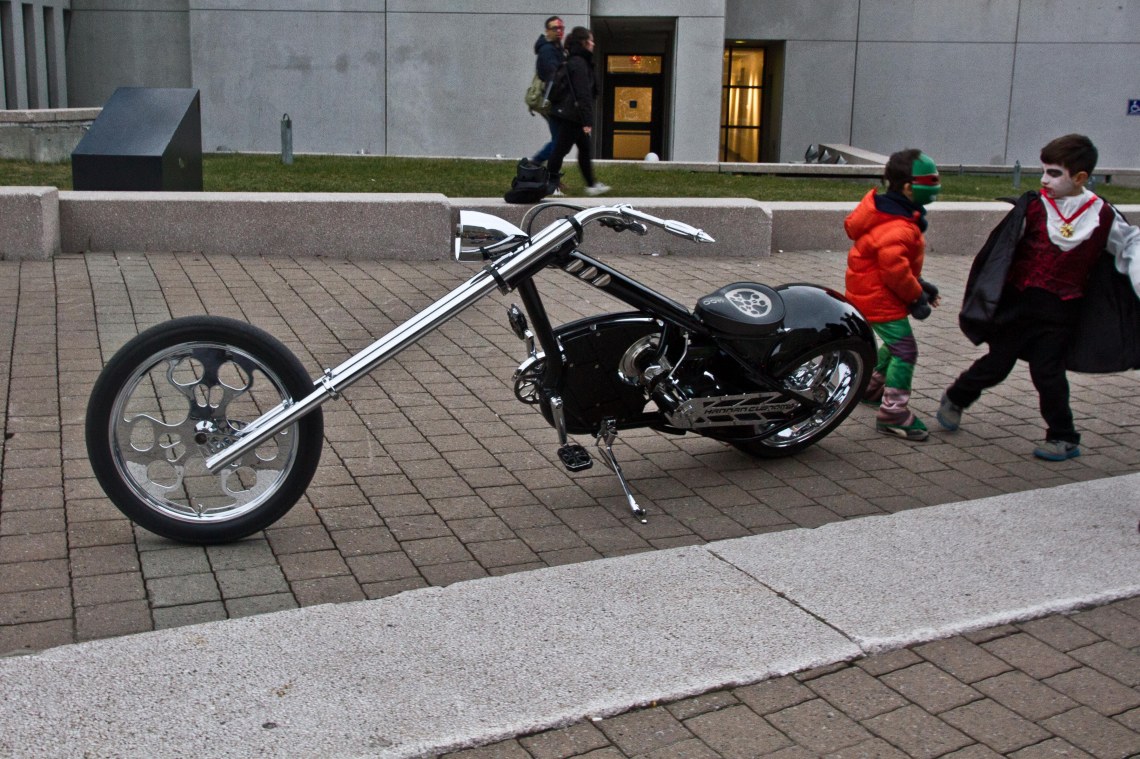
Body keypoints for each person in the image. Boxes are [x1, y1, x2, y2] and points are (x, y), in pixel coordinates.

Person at [937, 133, 1140, 460]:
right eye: (1043, 171)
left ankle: (1064, 436)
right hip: (1018, 308)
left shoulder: (1102, 214)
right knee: (997, 363)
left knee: (1048, 373)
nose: (1045, 179)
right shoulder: (1033, 206)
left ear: (1080, 177)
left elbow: (1131, 246)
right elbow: (1000, 254)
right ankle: (957, 397)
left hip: (1060, 314)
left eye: (1055, 173)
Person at [844, 149, 942, 441]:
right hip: (879, 297)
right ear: (910, 187)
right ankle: (894, 412)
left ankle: (872, 389)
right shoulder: (898, 225)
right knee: (905, 350)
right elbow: (895, 272)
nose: (937, 187)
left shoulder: (892, 214)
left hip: (871, 292)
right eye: (932, 181)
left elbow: (900, 267)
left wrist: (922, 286)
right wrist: (916, 299)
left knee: (895, 344)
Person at [546, 26, 610, 197]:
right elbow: (583, 94)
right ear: (583, 42)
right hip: (573, 115)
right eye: (590, 40)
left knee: (584, 148)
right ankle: (551, 184)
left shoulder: (577, 61)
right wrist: (587, 121)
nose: (593, 43)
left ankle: (591, 184)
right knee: (561, 149)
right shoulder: (579, 63)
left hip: (571, 113)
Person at [529, 16, 565, 168]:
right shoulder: (547, 50)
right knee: (560, 141)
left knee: (559, 140)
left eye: (561, 28)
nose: (558, 31)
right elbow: (552, 76)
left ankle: (548, 172)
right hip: (552, 101)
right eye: (554, 28)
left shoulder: (556, 48)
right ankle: (536, 164)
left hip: (555, 101)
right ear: (547, 31)